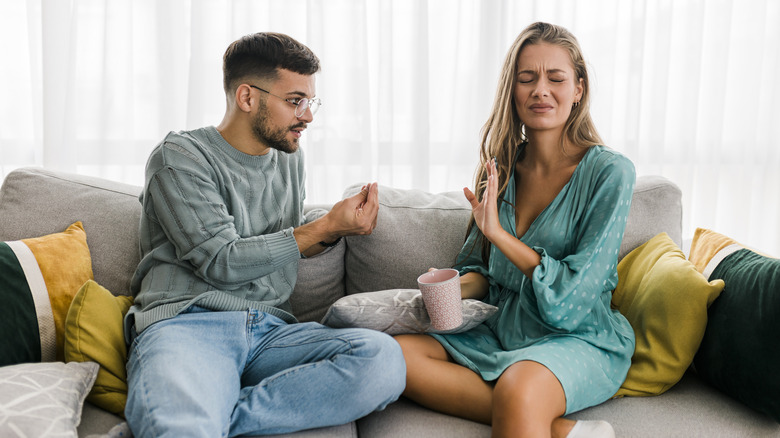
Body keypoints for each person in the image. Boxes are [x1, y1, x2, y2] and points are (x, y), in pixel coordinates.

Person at [123, 32, 405, 437]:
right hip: (188, 324)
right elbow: (222, 261)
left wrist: (334, 231)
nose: (307, 116)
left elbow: (278, 242)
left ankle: (219, 416)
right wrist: (321, 227)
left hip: (272, 332)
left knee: (382, 361)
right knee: (181, 428)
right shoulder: (179, 157)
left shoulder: (291, 160)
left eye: (310, 102)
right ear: (247, 97)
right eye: (295, 101)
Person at [396, 22, 636, 438]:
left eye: (556, 78)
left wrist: (501, 237)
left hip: (577, 336)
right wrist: (443, 293)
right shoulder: (500, 170)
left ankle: (527, 410)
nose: (540, 90)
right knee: (397, 355)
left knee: (519, 389)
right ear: (513, 90)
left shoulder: (611, 173)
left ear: (578, 88)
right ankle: (562, 430)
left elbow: (574, 300)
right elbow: (482, 274)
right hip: (502, 329)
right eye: (527, 79)